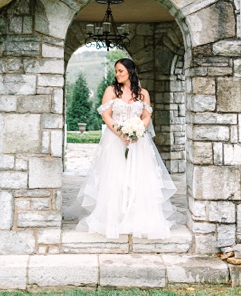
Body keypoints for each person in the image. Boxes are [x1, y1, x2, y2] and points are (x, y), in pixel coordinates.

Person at [75, 58, 177, 239]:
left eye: (120, 71)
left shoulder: (143, 93)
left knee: (139, 178)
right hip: (115, 140)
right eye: (116, 71)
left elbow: (146, 116)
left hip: (139, 142)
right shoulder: (111, 91)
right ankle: (115, 218)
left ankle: (138, 219)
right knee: (116, 178)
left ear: (130, 71)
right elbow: (106, 115)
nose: (117, 74)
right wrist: (121, 133)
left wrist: (138, 131)